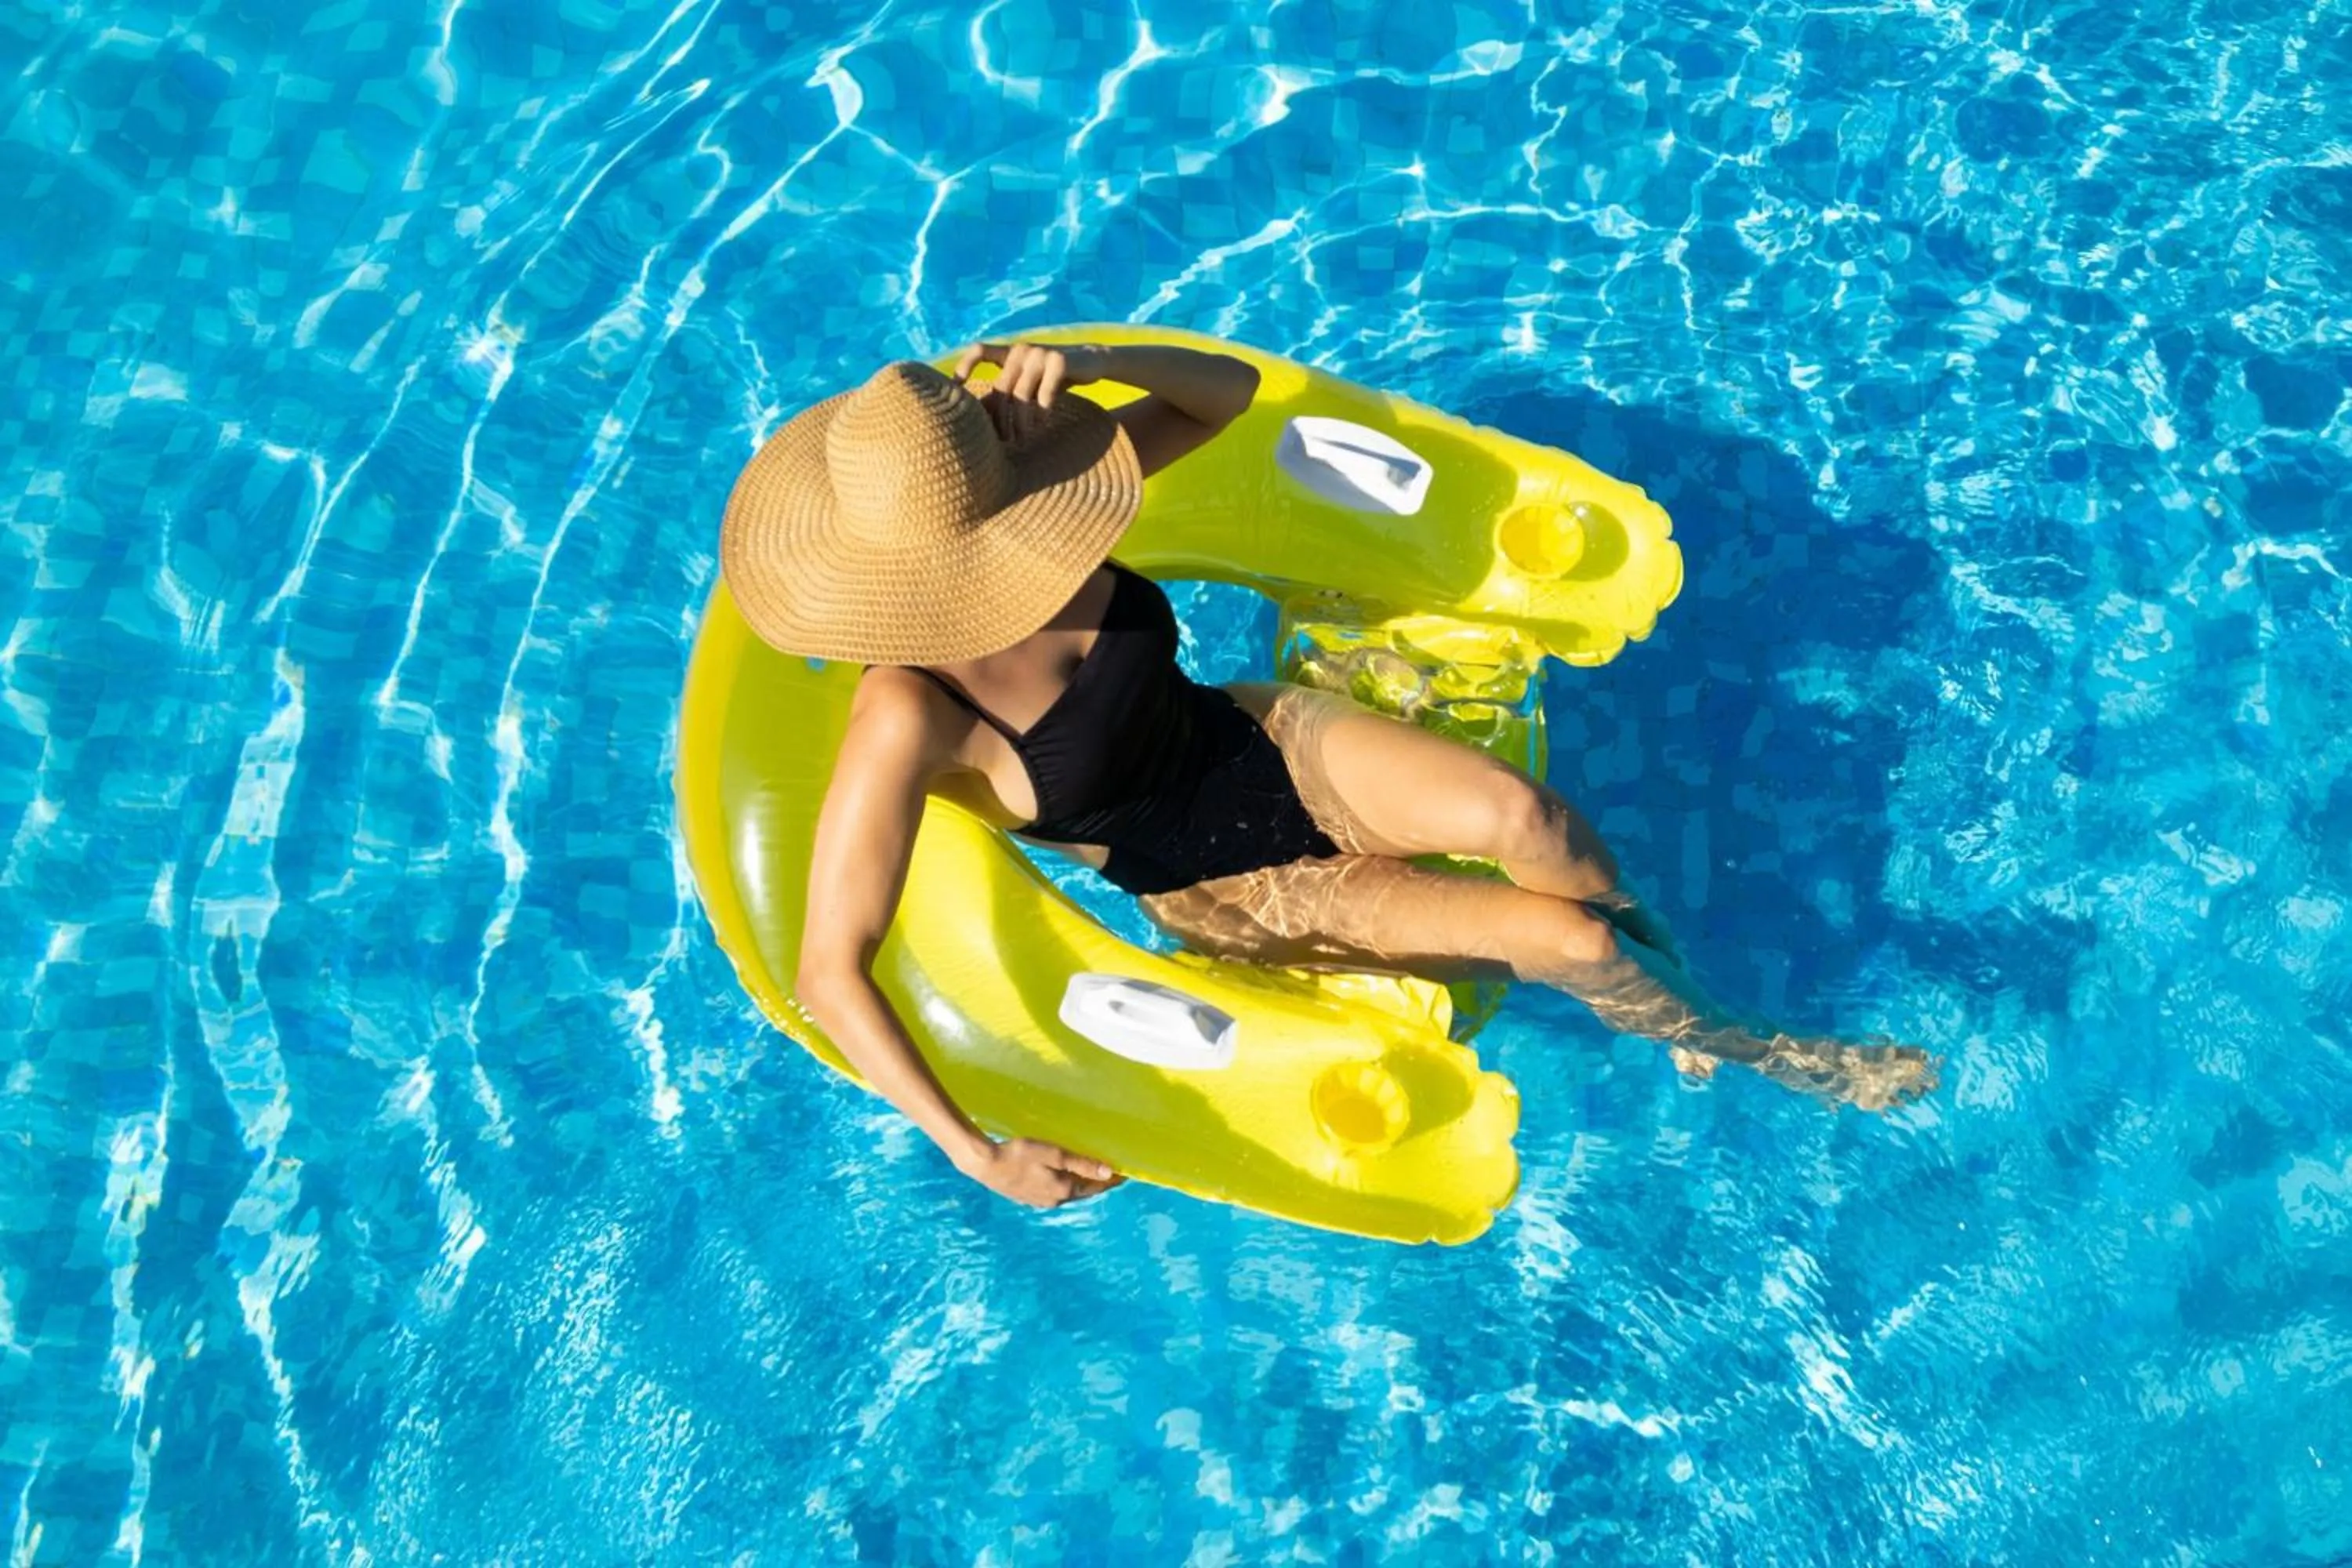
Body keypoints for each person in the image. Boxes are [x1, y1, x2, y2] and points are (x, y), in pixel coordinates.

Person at [720, 338, 1937, 1211]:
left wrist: (1080, 362)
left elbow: (1226, 399)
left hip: (1268, 741)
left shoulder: (1041, 502)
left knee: (1528, 815)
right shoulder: (903, 711)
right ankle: (1767, 1051)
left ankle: (1664, 982)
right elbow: (831, 967)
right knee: (1563, 945)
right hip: (1223, 880)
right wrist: (978, 1153)